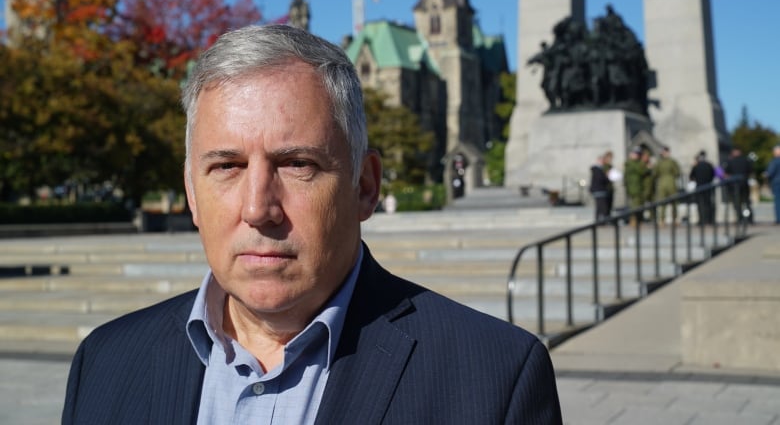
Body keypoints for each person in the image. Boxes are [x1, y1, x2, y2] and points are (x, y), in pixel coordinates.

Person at [62, 25, 562, 424]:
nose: (258, 208)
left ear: (365, 187)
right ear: (192, 194)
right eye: (227, 167)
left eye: (297, 164)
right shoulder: (104, 363)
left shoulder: (495, 379)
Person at [723, 147, 754, 224]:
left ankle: (740, 218)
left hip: (735, 185)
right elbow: (751, 171)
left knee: (737, 203)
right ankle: (749, 218)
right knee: (746, 202)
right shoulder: (746, 160)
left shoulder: (730, 161)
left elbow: (726, 173)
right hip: (744, 183)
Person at [652, 146, 681, 225]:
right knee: (669, 202)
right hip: (669, 182)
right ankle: (666, 219)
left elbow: (654, 174)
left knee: (668, 202)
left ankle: (665, 220)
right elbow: (677, 173)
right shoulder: (670, 162)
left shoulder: (661, 162)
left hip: (663, 183)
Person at [688, 151, 716, 225]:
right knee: (708, 204)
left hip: (699, 186)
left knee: (700, 204)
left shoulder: (696, 166)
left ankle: (702, 220)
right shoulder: (709, 165)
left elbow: (691, 177)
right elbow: (713, 175)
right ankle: (710, 220)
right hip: (708, 186)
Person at [623, 146, 648, 225]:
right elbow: (641, 171)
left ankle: (638, 220)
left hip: (638, 186)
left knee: (639, 204)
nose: (638, 156)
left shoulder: (633, 163)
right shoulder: (632, 163)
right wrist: (644, 163)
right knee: (636, 205)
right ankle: (634, 220)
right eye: (637, 154)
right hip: (635, 187)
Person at [590, 151, 613, 222]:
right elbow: (601, 179)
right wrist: (607, 176)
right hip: (599, 190)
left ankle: (600, 221)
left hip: (601, 190)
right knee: (601, 207)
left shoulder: (600, 169)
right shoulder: (597, 169)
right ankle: (599, 221)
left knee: (601, 207)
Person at [764, 145, 780, 224]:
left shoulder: (774, 161)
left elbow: (770, 172)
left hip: (777, 183)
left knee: (778, 201)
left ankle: (778, 219)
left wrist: (765, 174)